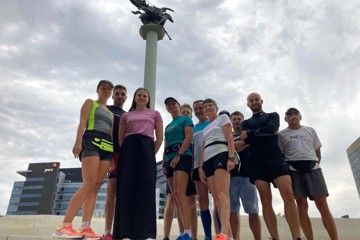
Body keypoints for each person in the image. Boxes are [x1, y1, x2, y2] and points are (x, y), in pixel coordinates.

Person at [52, 80, 114, 239]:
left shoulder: (111, 113)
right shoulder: (90, 103)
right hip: (91, 142)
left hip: (107, 148)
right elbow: (82, 123)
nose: (106, 90)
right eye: (103, 88)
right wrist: (77, 142)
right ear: (98, 90)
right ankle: (64, 226)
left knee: (95, 187)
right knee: (88, 183)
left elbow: (111, 133)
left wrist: (113, 157)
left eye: (109, 89)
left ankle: (86, 227)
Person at [240, 92, 302, 240]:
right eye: (251, 100)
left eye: (256, 99)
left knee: (288, 194)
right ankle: (274, 237)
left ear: (261, 101)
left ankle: (297, 237)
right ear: (248, 104)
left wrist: (251, 135)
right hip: (257, 161)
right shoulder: (245, 123)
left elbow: (272, 129)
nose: (254, 102)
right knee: (265, 199)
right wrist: (255, 135)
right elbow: (253, 136)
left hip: (275, 158)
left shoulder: (273, 115)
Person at [278, 107, 338, 240]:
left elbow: (317, 151)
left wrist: (315, 164)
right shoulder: (281, 135)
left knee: (322, 203)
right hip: (293, 169)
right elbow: (281, 154)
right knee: (301, 204)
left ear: (300, 116)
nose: (292, 115)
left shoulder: (310, 130)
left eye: (295, 113)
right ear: (285, 119)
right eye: (289, 114)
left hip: (313, 168)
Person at [113, 87, 163, 240]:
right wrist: (128, 151)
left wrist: (149, 153)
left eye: (145, 95)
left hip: (147, 148)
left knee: (146, 189)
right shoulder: (126, 115)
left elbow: (159, 138)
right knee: (126, 188)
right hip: (128, 148)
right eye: (139, 95)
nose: (142, 97)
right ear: (134, 98)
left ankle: (147, 234)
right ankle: (125, 233)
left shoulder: (155, 114)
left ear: (148, 99)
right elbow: (121, 138)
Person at [199, 99, 236, 240]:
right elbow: (203, 148)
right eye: (205, 106)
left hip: (221, 152)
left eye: (210, 105)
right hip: (207, 160)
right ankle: (229, 236)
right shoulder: (205, 128)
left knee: (222, 194)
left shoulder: (223, 117)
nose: (208, 107)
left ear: (216, 107)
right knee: (216, 198)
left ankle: (223, 232)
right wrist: (201, 167)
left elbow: (229, 137)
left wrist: (231, 157)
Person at [163, 97, 193, 240]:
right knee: (175, 195)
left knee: (181, 194)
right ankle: (182, 233)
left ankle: (188, 232)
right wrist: (164, 164)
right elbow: (166, 144)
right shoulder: (168, 126)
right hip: (168, 160)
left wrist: (179, 155)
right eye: (168, 105)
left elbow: (188, 137)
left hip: (182, 157)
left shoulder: (185, 120)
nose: (171, 106)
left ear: (178, 106)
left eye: (173, 103)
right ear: (167, 109)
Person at [229, 111, 261, 240]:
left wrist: (235, 146)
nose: (237, 121)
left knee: (253, 210)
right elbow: (227, 149)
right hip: (230, 177)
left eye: (239, 118)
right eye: (234, 119)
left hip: (247, 176)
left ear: (243, 120)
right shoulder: (227, 136)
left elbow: (236, 147)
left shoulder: (249, 134)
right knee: (232, 211)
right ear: (231, 121)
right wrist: (239, 145)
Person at [101, 84, 127, 240]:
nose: (120, 96)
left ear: (126, 97)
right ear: (113, 96)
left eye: (123, 94)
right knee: (110, 193)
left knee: (122, 195)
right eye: (117, 93)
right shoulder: (107, 109)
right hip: (108, 153)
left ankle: (120, 230)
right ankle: (107, 231)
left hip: (125, 157)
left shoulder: (127, 115)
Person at [191, 100, 212, 240]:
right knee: (203, 202)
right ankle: (208, 236)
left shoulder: (214, 122)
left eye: (201, 107)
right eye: (196, 109)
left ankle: (223, 234)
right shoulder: (193, 128)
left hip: (214, 162)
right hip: (198, 166)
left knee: (219, 199)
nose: (199, 110)